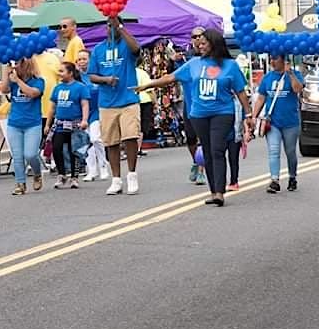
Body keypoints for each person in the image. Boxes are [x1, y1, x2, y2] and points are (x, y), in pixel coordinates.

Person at [136, 29, 254, 207]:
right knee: (207, 151)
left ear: (214, 44)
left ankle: (220, 192)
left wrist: (248, 114)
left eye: (204, 42)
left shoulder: (230, 65)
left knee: (217, 150)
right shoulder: (194, 63)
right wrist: (149, 84)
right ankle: (213, 191)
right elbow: (170, 77)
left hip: (222, 113)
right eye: (199, 42)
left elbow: (240, 92)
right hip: (199, 115)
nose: (200, 45)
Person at [89, 17, 142, 196]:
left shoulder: (126, 45)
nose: (111, 28)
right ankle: (116, 179)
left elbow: (136, 49)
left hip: (128, 99)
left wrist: (121, 28)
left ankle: (132, 175)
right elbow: (92, 75)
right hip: (107, 102)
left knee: (130, 136)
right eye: (109, 25)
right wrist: (105, 80)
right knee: (111, 142)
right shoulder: (98, 50)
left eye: (114, 25)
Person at [252, 54, 304, 194]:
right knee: (274, 151)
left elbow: (298, 89)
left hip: (290, 122)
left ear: (284, 60)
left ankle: (292, 176)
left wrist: (290, 73)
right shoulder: (267, 78)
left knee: (290, 152)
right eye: (271, 59)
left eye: (275, 58)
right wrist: (253, 116)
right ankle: (274, 180)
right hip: (272, 122)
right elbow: (261, 98)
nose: (272, 61)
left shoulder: (295, 74)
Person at [1, 57, 46, 196]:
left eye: (18, 63)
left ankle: (37, 173)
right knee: (17, 156)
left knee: (31, 154)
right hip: (15, 123)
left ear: (26, 64)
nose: (16, 66)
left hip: (32, 123)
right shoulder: (13, 80)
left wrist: (18, 81)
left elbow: (32, 93)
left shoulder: (38, 81)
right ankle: (20, 183)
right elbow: (3, 90)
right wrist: (6, 72)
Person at [49, 62, 90, 189]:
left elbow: (84, 104)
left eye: (62, 71)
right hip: (60, 124)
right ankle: (61, 174)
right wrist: (47, 124)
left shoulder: (80, 87)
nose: (59, 74)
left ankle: (74, 177)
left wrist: (84, 120)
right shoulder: (57, 88)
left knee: (74, 151)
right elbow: (52, 108)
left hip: (75, 124)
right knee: (56, 148)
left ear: (70, 73)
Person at [74, 49, 109, 183]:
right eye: (79, 60)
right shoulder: (76, 77)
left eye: (84, 59)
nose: (82, 62)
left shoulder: (96, 74)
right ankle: (91, 170)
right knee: (85, 141)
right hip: (82, 113)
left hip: (97, 111)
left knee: (95, 138)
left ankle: (103, 165)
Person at [182, 27, 205, 185]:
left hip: (204, 103)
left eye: (200, 36)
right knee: (190, 139)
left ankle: (202, 169)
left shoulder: (210, 57)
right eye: (194, 37)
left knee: (203, 139)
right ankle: (196, 162)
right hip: (189, 103)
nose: (197, 39)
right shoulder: (185, 57)